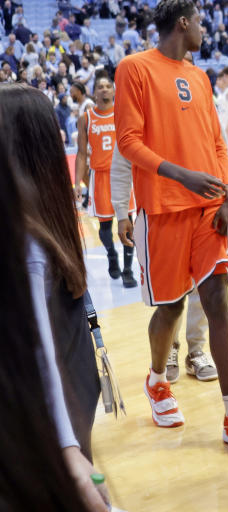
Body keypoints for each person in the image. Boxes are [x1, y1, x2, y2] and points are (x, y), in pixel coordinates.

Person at [114, 0, 228, 456]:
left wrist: (226, 194)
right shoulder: (134, 68)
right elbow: (129, 141)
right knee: (172, 309)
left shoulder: (200, 78)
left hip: (206, 210)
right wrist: (180, 174)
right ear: (183, 23)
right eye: (199, 22)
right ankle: (157, 381)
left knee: (219, 301)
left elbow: (218, 142)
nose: (204, 30)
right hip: (162, 209)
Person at [0, 83, 109, 511]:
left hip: (54, 424)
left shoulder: (31, 241)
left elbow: (41, 354)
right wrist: (72, 452)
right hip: (58, 423)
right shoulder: (40, 233)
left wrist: (68, 450)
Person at [111, 146, 216, 383]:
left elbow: (217, 147)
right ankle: (170, 347)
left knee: (205, 285)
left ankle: (196, 350)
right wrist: (121, 212)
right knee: (172, 292)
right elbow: (122, 160)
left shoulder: (199, 108)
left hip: (202, 206)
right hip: (162, 211)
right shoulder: (137, 110)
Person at [75, 74, 137, 288]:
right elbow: (82, 154)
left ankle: (128, 269)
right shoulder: (86, 118)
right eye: (99, 86)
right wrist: (77, 184)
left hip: (124, 174)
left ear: (113, 91)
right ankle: (111, 254)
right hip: (100, 176)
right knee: (104, 226)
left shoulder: (123, 113)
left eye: (107, 86)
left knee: (128, 221)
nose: (103, 89)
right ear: (94, 91)